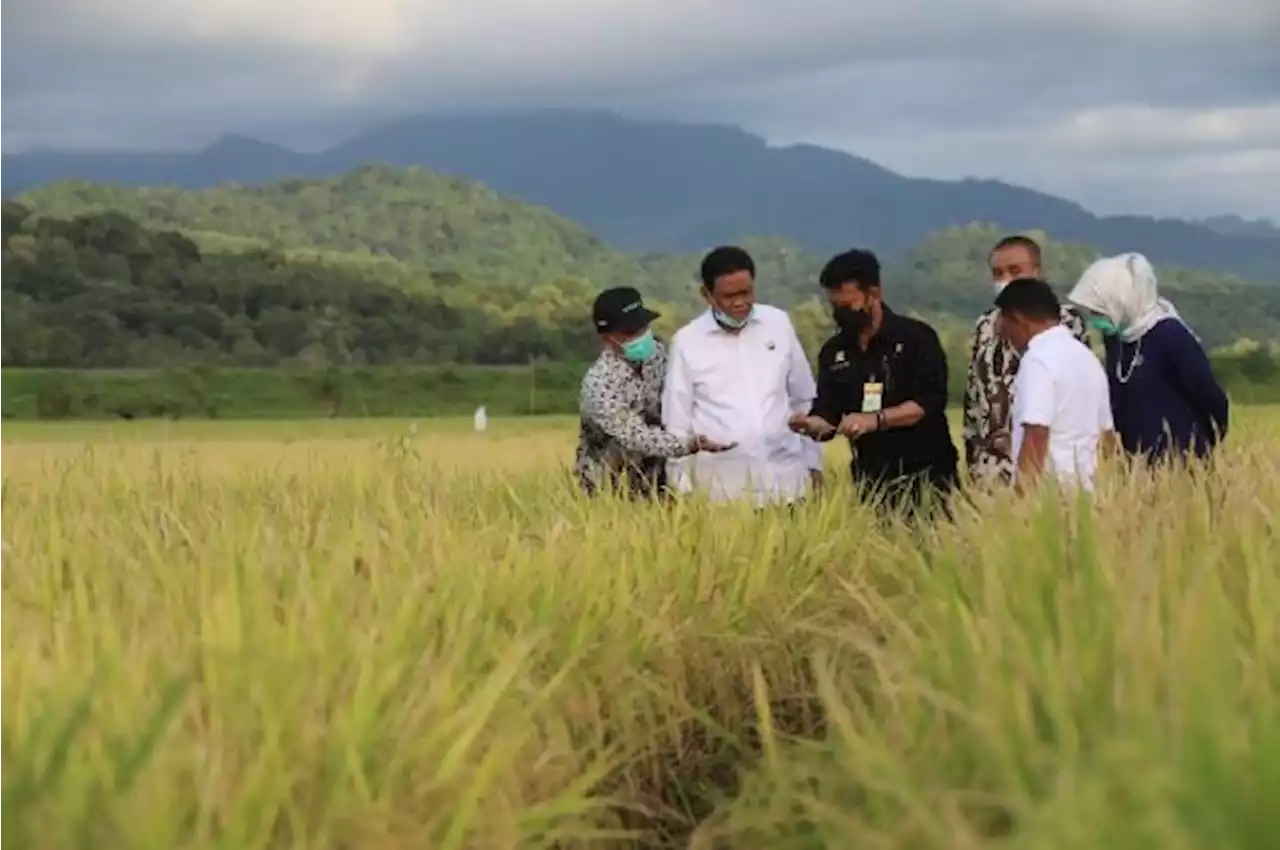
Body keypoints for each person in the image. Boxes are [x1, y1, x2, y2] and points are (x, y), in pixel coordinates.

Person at [790, 248, 959, 516]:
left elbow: (929, 402)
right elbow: (828, 415)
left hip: (928, 477)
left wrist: (875, 420)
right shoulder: (834, 352)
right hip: (872, 483)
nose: (840, 314)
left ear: (874, 294)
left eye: (848, 306)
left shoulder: (916, 339)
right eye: (834, 307)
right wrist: (810, 425)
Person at [662, 246, 825, 506]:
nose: (740, 303)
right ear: (707, 295)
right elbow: (677, 421)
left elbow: (804, 397)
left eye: (746, 292)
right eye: (728, 296)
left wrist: (814, 464)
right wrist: (681, 489)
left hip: (788, 483)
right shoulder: (686, 342)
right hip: (724, 493)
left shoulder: (778, 323)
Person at [1067, 252, 1229, 464]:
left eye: (1100, 312)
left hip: (1182, 460)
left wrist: (1206, 439)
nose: (1096, 320)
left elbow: (1209, 395)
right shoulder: (1117, 339)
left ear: (1122, 302)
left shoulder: (1170, 335)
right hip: (1134, 463)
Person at [575, 286, 734, 499]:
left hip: (656, 478)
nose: (642, 336)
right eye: (631, 332)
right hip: (608, 487)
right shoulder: (600, 385)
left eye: (643, 327)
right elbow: (637, 437)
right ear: (607, 338)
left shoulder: (656, 355)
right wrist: (690, 444)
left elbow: (679, 395)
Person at [963, 234, 1088, 486]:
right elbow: (974, 398)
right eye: (998, 273)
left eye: (1015, 270)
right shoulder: (985, 325)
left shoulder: (1064, 321)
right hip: (991, 472)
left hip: (1045, 467)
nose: (1005, 279)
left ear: (1038, 272)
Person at [993, 278, 1114, 492]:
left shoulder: (1038, 361)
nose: (1004, 333)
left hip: (1052, 495)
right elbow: (1107, 437)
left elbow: (1036, 433)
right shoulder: (1088, 359)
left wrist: (1022, 498)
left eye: (1005, 324)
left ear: (1019, 320)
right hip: (1089, 491)